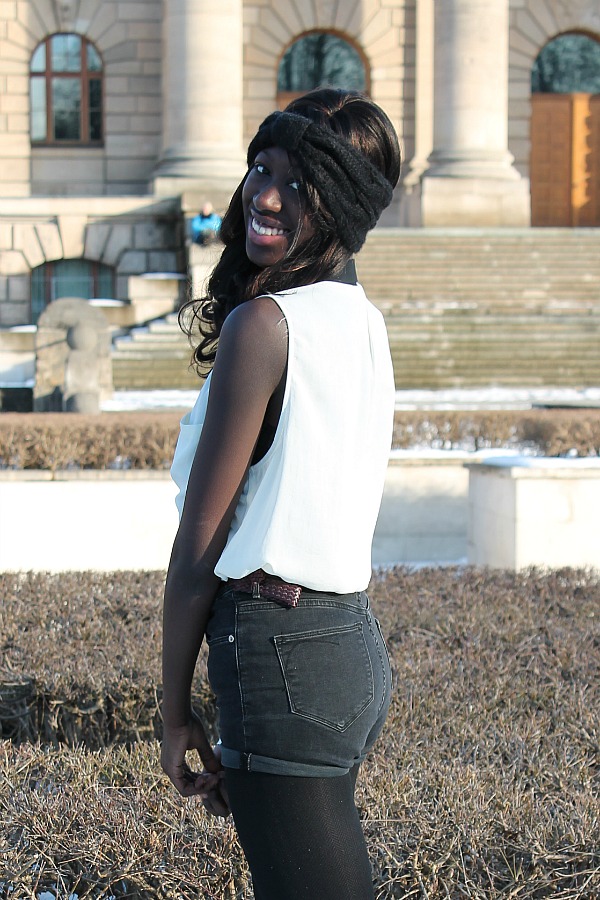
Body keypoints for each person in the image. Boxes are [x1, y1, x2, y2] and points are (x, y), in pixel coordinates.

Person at [161, 88, 401, 899]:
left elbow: (199, 550)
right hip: (346, 646)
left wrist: (173, 711)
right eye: (261, 169)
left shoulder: (265, 327)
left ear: (345, 203)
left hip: (280, 649)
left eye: (299, 184)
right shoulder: (361, 320)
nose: (264, 196)